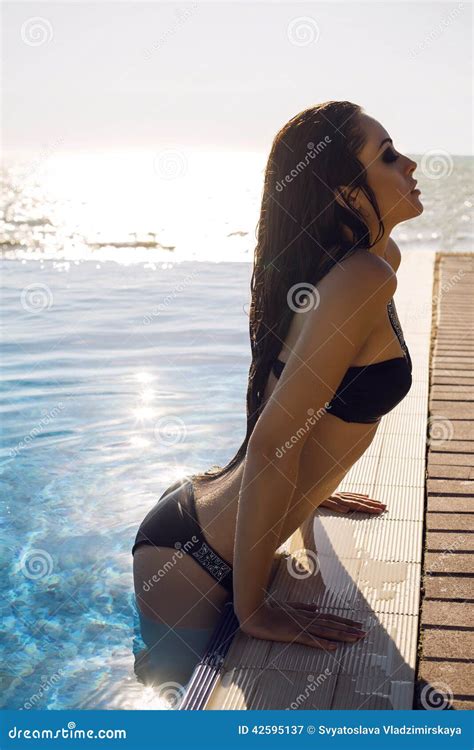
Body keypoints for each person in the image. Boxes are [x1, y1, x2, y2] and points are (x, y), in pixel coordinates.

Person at [132, 100, 422, 690]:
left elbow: (301, 400)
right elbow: (270, 445)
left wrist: (316, 490)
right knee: (165, 704)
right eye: (387, 155)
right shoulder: (361, 276)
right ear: (344, 191)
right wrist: (253, 611)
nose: (412, 163)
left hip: (212, 511)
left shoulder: (369, 261)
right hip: (196, 561)